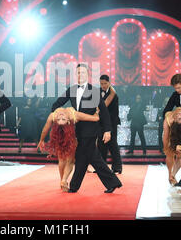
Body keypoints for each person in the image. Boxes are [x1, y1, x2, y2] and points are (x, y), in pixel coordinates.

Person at [52, 63, 122, 193]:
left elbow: (104, 112)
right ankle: (78, 186)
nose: (80, 75)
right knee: (83, 158)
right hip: (75, 131)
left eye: (83, 73)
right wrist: (60, 115)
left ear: (87, 75)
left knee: (89, 158)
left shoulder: (94, 91)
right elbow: (56, 104)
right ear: (75, 74)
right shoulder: (72, 90)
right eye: (78, 72)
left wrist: (107, 130)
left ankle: (77, 186)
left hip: (90, 131)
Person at [38, 107, 100, 191]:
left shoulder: (53, 116)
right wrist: (96, 111)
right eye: (60, 119)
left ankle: (63, 180)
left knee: (64, 160)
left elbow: (45, 128)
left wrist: (41, 140)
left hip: (65, 136)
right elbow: (95, 118)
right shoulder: (74, 115)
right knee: (67, 161)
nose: (60, 115)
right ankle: (63, 180)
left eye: (61, 119)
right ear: (68, 120)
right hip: (64, 137)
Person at [97, 75, 123, 174]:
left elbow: (112, 111)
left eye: (105, 83)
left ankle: (117, 168)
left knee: (113, 145)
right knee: (101, 145)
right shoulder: (97, 92)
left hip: (111, 123)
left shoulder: (113, 94)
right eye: (101, 83)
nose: (103, 85)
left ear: (109, 82)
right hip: (100, 123)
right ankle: (102, 168)